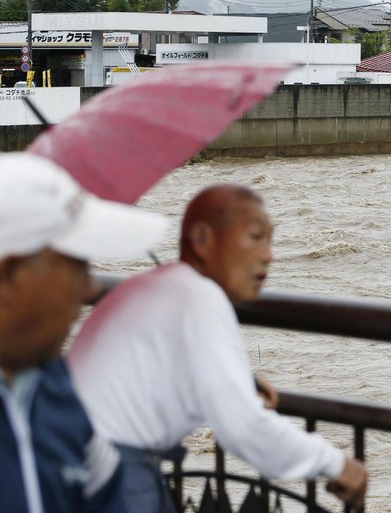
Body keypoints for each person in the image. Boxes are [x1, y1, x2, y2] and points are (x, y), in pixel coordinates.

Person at [68, 184, 368, 512]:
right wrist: (338, 464)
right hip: (110, 479)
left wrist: (240, 379)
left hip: (72, 464)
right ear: (202, 240)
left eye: (270, 239)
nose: (268, 254)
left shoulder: (152, 287)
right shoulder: (200, 298)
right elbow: (244, 427)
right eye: (255, 237)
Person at [0, 152, 168, 513]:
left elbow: (111, 499)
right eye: (77, 264)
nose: (91, 288)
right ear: (10, 276)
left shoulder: (52, 386)